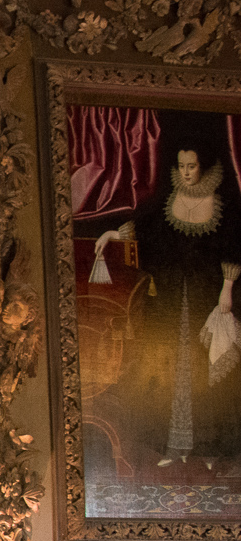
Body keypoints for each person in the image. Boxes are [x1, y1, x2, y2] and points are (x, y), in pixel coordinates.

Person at [92, 143, 241, 468]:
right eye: (182, 166)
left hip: (206, 297)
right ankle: (175, 447)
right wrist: (113, 234)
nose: (186, 172)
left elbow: (234, 248)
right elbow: (147, 231)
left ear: (204, 167)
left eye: (192, 166)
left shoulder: (224, 208)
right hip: (170, 301)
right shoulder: (168, 203)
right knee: (171, 371)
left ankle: (210, 450)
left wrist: (227, 288)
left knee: (207, 372)